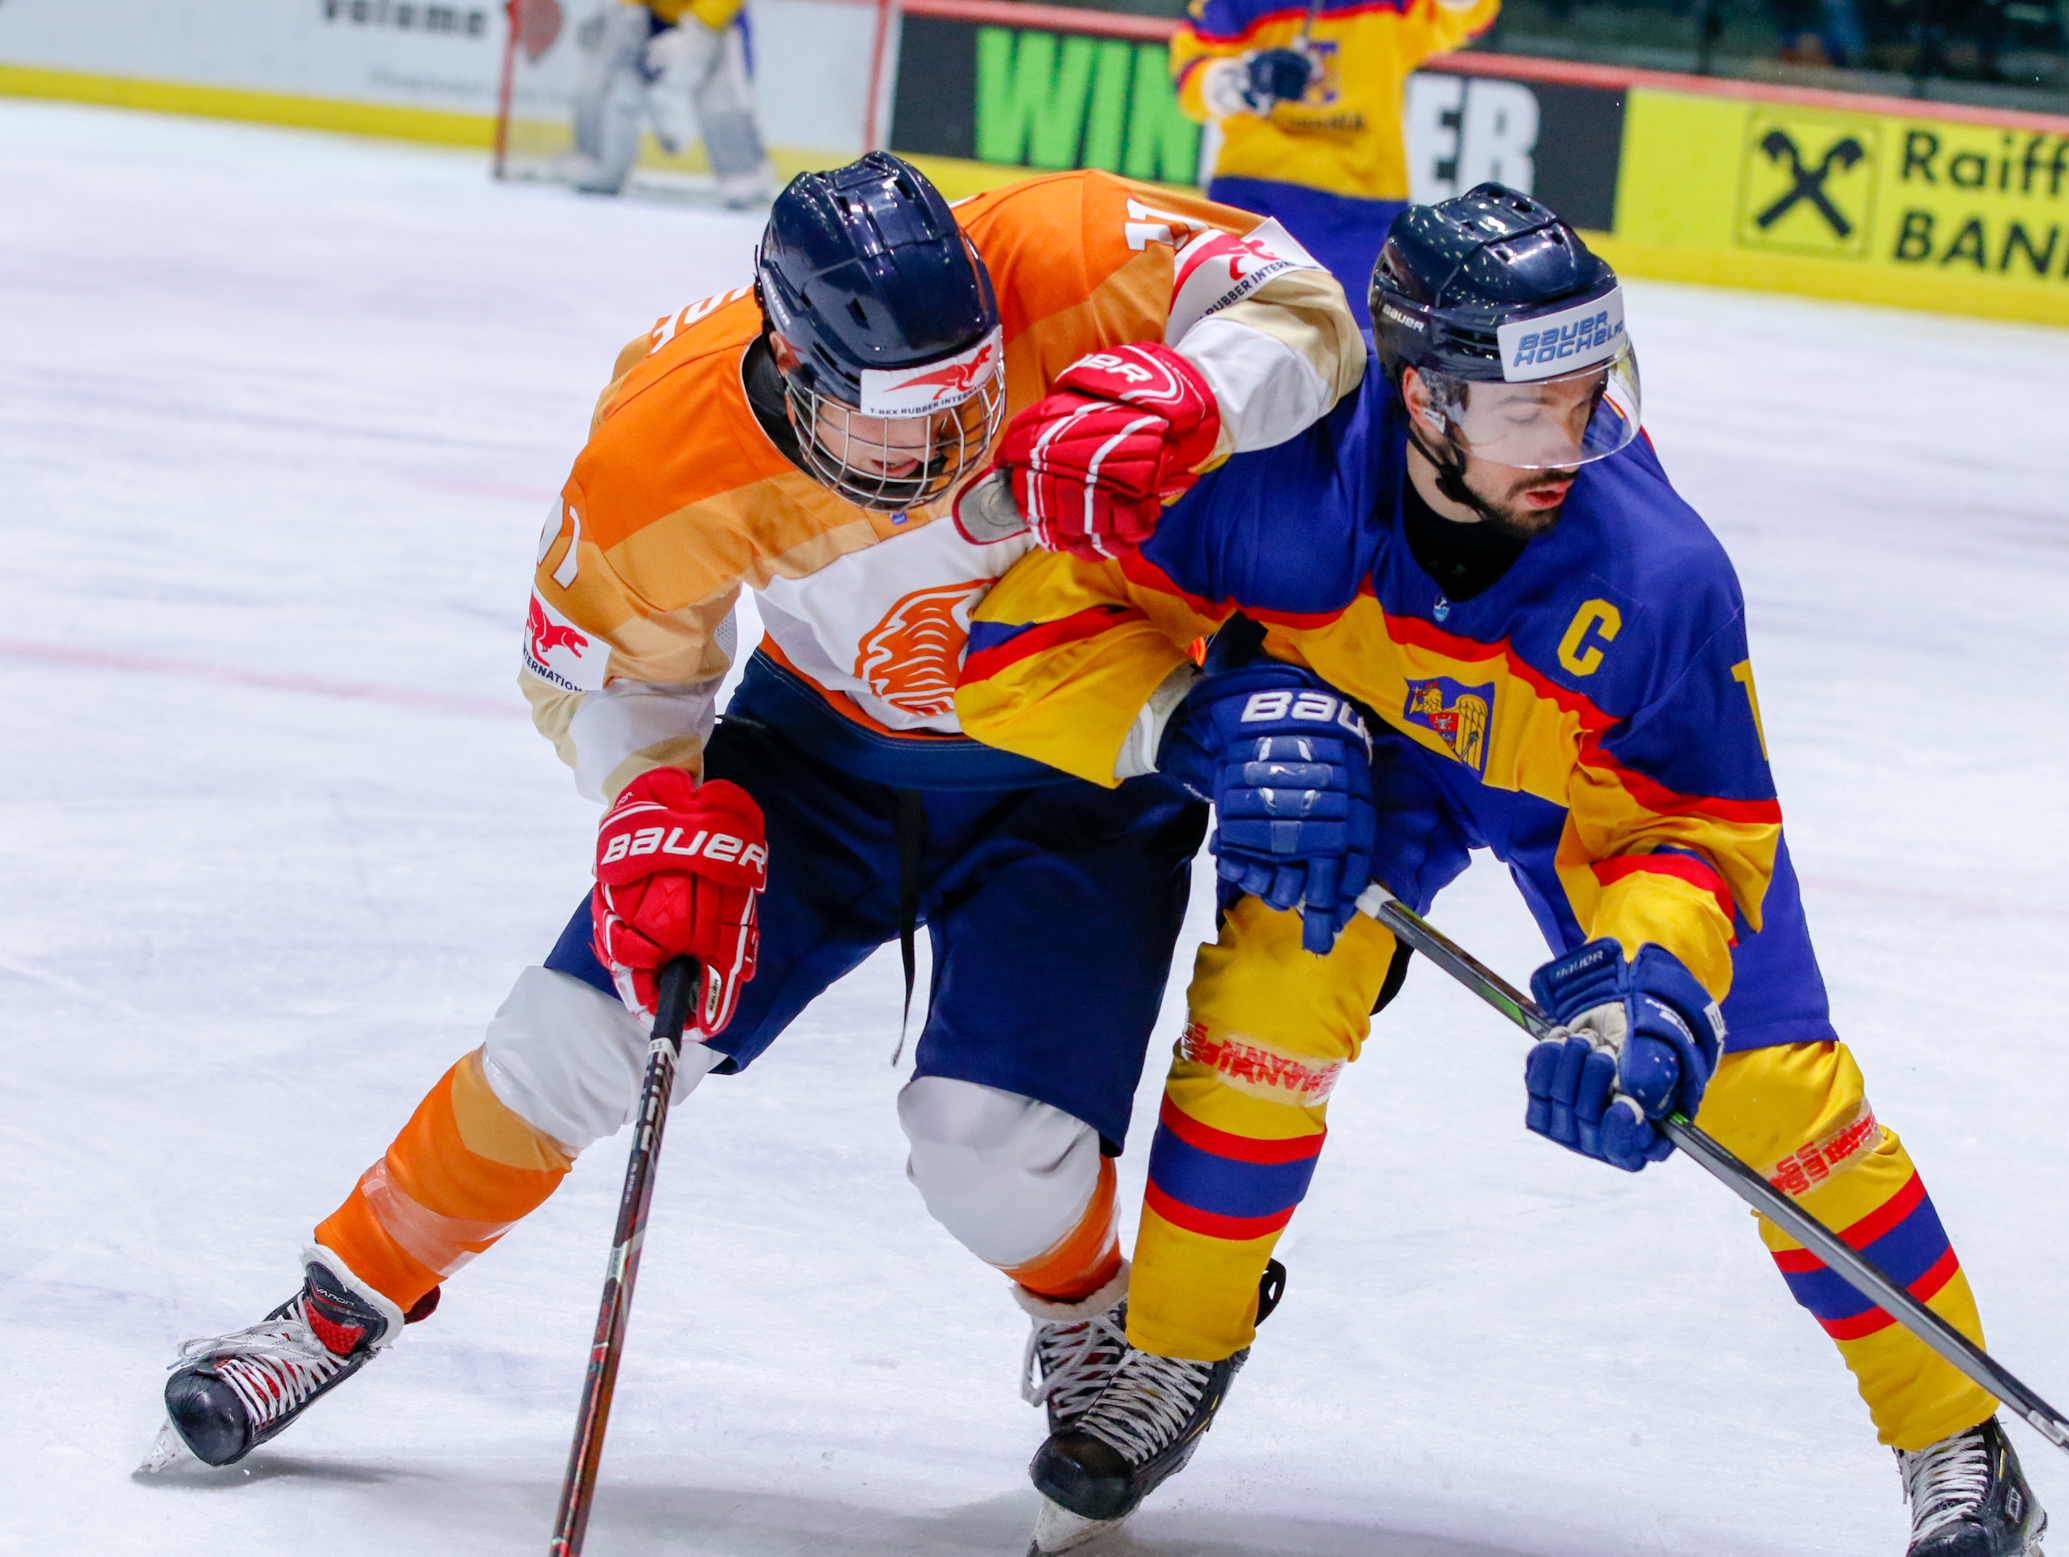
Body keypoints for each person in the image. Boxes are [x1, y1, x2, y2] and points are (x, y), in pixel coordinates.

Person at [149, 154, 1363, 1505]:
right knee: (572, 1040)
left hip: (1091, 774)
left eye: (971, 398)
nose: (950, 454)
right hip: (819, 755)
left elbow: (1303, 305)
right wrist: (655, 802)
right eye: (901, 429)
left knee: (991, 1151)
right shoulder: (665, 438)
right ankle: (336, 1301)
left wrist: (1190, 390)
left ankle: (1085, 1309)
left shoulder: (1063, 247)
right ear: (795, 370)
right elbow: (601, 673)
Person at [956, 184, 2050, 1557]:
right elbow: (1007, 648)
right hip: (1360, 739)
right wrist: (1205, 724)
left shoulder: (1660, 579)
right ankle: (1175, 1347)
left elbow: (1698, 835)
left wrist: (1653, 988)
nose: (1577, 437)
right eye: (1533, 407)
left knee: (1770, 1089)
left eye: (1594, 393)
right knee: (1272, 994)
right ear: (1421, 400)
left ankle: (1957, 1435)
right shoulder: (1269, 475)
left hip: (1577, 787)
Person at [1171, 0, 1501, 325]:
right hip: (1256, 195)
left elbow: (1464, 16)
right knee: (1223, 338)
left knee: (1356, 355)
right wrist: (1245, 78)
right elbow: (1191, 71)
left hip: (1362, 210)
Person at [561, 0, 772, 207]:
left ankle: (742, 174)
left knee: (722, 97)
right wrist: (629, 8)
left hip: (716, 20)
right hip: (647, 14)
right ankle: (597, 160)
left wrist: (703, 22)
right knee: (610, 76)